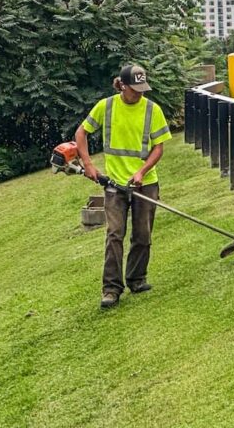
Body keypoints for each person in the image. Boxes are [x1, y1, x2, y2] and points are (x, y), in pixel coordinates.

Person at [75, 64, 172, 309]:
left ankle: (137, 279)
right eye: (135, 89)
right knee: (114, 234)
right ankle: (111, 289)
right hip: (115, 184)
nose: (139, 93)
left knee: (142, 234)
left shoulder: (152, 110)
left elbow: (158, 147)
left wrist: (142, 171)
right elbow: (81, 133)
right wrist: (88, 164)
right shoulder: (106, 107)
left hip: (145, 183)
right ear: (123, 86)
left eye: (142, 89)